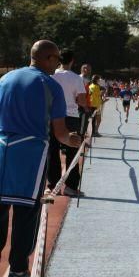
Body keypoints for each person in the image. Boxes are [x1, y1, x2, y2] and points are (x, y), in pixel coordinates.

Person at [0, 40, 81, 277]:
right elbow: (60, 133)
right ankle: (18, 271)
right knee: (27, 212)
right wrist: (74, 141)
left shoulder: (5, 79)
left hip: (2, 146)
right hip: (30, 153)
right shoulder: (49, 85)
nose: (57, 64)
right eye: (56, 59)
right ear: (48, 58)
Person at [48, 49, 87, 196]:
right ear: (72, 61)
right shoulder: (76, 78)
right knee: (72, 150)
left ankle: (53, 186)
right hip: (71, 117)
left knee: (52, 151)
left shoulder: (52, 75)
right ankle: (70, 187)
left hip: (53, 116)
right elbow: (82, 100)